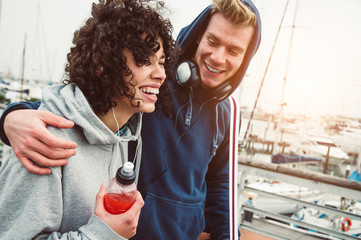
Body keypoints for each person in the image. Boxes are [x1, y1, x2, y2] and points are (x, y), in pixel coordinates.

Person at [0, 0, 262, 239]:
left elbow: (221, 187)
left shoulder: (228, 111)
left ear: (246, 59)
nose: (218, 57)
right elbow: (85, 105)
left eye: (234, 50)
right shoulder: (153, 85)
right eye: (213, 42)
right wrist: (12, 116)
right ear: (198, 38)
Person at [0, 0, 177, 239]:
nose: (160, 74)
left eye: (162, 61)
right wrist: (103, 234)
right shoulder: (44, 141)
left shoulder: (121, 135)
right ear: (102, 65)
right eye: (144, 59)